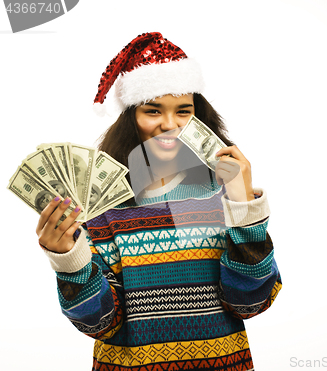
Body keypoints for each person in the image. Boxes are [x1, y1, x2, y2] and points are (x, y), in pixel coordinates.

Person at [35, 32, 282, 371]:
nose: (170, 125)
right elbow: (100, 323)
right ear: (130, 117)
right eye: (153, 110)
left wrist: (244, 209)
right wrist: (69, 262)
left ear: (199, 116)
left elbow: (251, 303)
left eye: (184, 111)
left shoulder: (227, 194)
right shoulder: (102, 206)